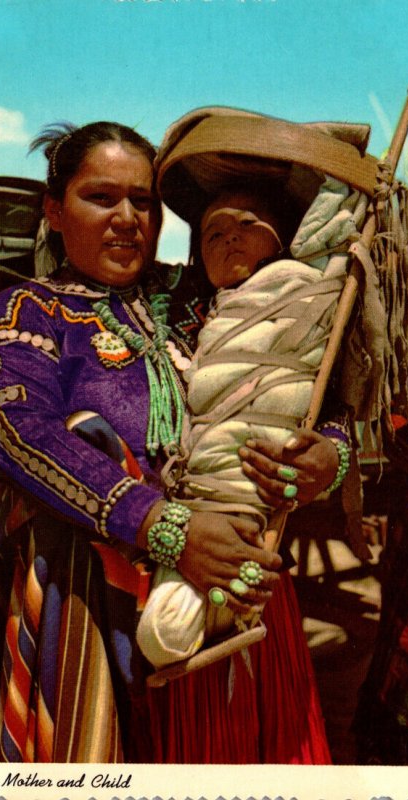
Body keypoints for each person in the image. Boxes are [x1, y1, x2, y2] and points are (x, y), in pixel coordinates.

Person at [0, 120, 336, 764]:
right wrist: (164, 528)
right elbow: (18, 430)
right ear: (55, 211)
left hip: (233, 567)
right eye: (100, 198)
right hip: (90, 596)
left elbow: (301, 372)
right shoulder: (26, 312)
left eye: (142, 201)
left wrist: (327, 454)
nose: (126, 219)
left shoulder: (206, 298)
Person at [136, 184, 351, 669]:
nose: (232, 237)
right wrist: (167, 530)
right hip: (133, 576)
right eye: (214, 233)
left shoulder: (284, 305)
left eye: (249, 223)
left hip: (249, 552)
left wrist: (331, 457)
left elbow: (330, 399)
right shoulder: (36, 311)